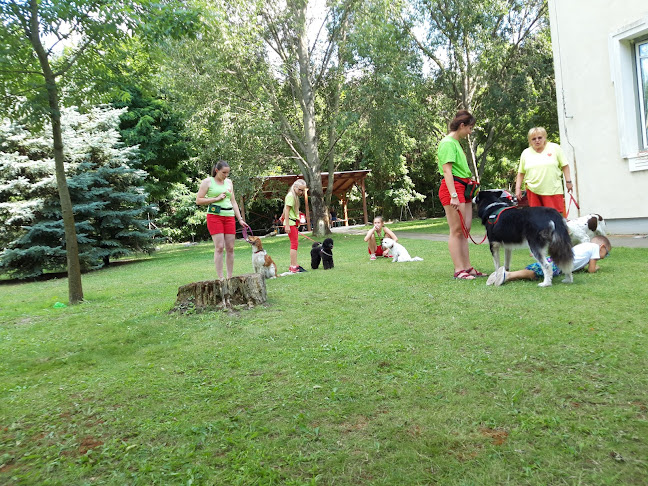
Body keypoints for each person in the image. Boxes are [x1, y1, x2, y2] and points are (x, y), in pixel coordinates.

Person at [437, 110, 486, 280]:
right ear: (462, 126)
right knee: (456, 230)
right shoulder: (448, 143)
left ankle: (467, 267)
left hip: (463, 187)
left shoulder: (456, 143)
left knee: (465, 230)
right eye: (470, 128)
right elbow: (447, 170)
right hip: (453, 188)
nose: (470, 132)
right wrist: (453, 195)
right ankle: (459, 270)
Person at [487, 235, 612, 286]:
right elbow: (591, 270)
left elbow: (577, 263)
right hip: (558, 263)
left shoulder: (585, 246)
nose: (604, 257)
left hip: (554, 258)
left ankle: (502, 275)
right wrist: (596, 268)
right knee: (534, 274)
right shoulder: (595, 248)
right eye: (606, 254)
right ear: (602, 247)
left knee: (536, 268)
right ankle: (507, 275)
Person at [196, 160, 249, 279]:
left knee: (230, 248)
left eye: (227, 173)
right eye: (223, 173)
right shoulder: (208, 182)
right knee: (219, 247)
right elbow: (198, 200)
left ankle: (230, 277)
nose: (226, 175)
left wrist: (240, 219)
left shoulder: (229, 182)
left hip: (229, 216)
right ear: (216, 171)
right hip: (215, 217)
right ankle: (221, 278)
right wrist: (215, 198)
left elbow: (233, 201)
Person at [516, 127, 573, 216]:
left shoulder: (555, 148)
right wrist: (518, 188)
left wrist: (568, 181)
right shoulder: (526, 153)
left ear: (544, 137)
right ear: (530, 141)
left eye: (540, 138)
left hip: (552, 189)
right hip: (533, 190)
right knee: (537, 218)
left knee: (554, 217)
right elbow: (521, 173)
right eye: (533, 139)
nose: (537, 141)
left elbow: (565, 166)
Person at [283, 179, 308, 273]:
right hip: (291, 223)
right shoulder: (290, 196)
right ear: (295, 187)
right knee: (294, 244)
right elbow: (287, 210)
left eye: (303, 190)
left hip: (293, 222)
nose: (301, 192)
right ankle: (294, 266)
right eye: (300, 190)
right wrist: (287, 225)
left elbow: (287, 209)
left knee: (295, 243)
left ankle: (293, 265)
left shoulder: (294, 196)